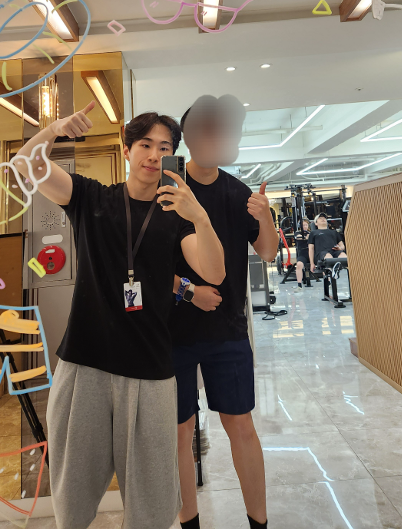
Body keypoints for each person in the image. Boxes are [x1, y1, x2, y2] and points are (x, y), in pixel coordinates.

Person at [15, 101, 225, 529]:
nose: (154, 155)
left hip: (150, 369)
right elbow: (24, 166)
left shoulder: (177, 217)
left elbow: (214, 272)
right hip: (84, 364)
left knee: (153, 500)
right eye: (145, 144)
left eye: (164, 148)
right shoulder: (90, 196)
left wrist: (200, 217)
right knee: (72, 493)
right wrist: (54, 129)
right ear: (126, 150)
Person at [170, 95, 279, 529]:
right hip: (172, 330)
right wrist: (187, 291)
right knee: (180, 431)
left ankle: (259, 522)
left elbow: (267, 253)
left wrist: (266, 217)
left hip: (227, 328)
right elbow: (144, 263)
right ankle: (190, 523)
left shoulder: (238, 192)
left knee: (241, 425)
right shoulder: (168, 190)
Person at [292, 217, 311, 293]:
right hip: (303, 253)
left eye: (306, 225)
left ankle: (329, 282)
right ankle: (299, 285)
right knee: (299, 265)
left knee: (324, 261)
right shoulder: (297, 233)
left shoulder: (311, 233)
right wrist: (306, 237)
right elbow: (298, 238)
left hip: (311, 253)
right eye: (303, 225)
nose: (305, 227)